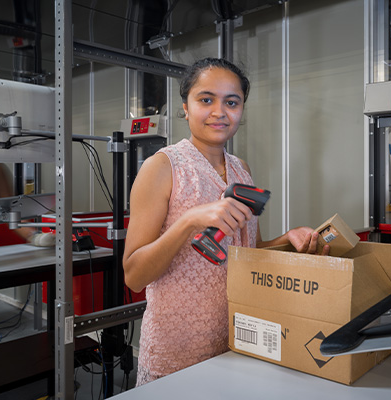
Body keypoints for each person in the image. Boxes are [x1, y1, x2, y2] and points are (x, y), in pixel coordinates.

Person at [122, 57, 330, 386]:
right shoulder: (162, 168)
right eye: (206, 100)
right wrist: (189, 221)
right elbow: (134, 274)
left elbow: (249, 252)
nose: (219, 112)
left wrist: (287, 240)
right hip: (176, 354)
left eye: (231, 102)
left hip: (236, 344)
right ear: (186, 107)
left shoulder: (241, 169)